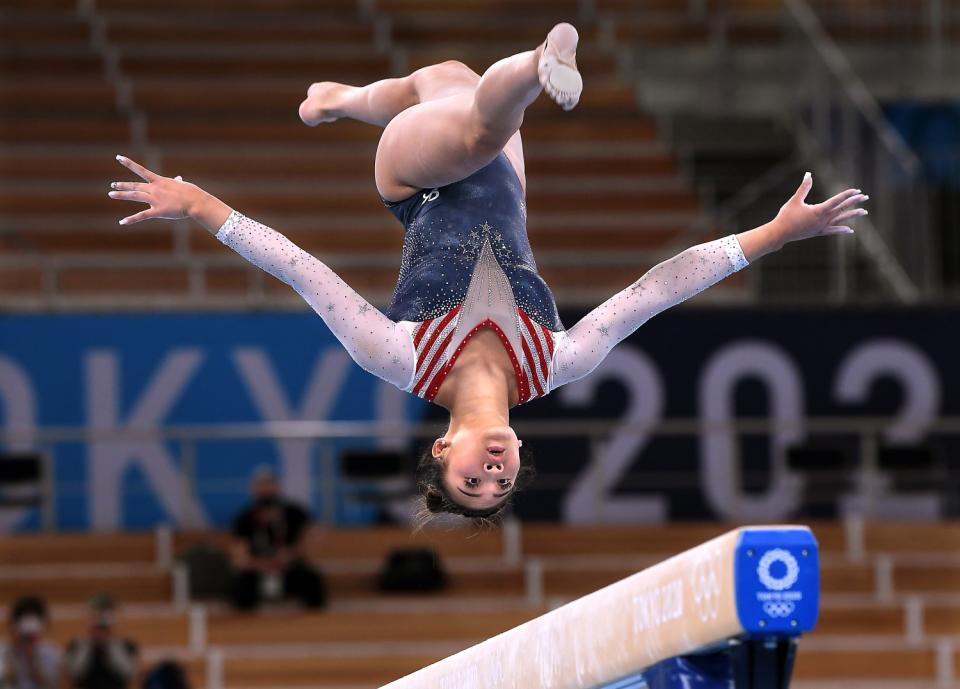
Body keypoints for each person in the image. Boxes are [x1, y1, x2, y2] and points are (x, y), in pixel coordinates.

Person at [107, 22, 869, 526]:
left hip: (416, 182)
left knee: (478, 121)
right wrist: (773, 233)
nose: (493, 475)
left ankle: (541, 61)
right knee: (447, 78)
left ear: (442, 450)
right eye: (500, 486)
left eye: (474, 481)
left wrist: (199, 202)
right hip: (507, 185)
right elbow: (658, 288)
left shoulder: (399, 358)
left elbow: (300, 269)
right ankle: (338, 100)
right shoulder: (559, 361)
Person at [229, 467, 326, 610]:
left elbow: (314, 536)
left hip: (290, 567)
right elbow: (239, 555)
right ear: (253, 488)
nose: (266, 489)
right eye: (262, 485)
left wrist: (291, 555)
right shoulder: (244, 518)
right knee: (241, 587)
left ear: (278, 487)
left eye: (270, 484)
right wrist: (262, 564)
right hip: (259, 569)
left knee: (312, 580)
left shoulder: (294, 512)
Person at [63, 594, 138, 689]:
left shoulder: (127, 645)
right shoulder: (76, 645)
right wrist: (89, 643)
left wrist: (110, 644)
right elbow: (75, 673)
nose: (100, 632)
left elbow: (128, 673)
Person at [0, 596, 61, 689]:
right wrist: (14, 649)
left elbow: (50, 683)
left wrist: (33, 657)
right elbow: (6, 680)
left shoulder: (51, 651)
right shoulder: (4, 649)